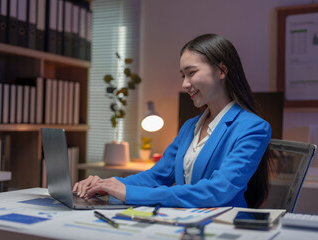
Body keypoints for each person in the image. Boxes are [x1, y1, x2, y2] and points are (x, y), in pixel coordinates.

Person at [73, 33, 271, 208]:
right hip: (185, 222)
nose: (185, 84)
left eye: (191, 73)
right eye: (183, 75)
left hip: (223, 227)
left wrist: (129, 193)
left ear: (221, 70)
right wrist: (105, 184)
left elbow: (217, 191)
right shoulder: (190, 127)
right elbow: (155, 176)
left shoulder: (253, 128)